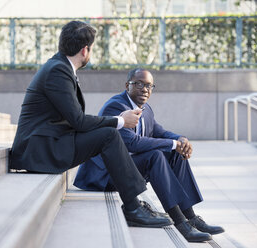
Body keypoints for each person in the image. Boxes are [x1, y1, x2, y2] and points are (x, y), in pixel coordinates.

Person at [9, 21, 172, 228]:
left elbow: (76, 120)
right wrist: (121, 121)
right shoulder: (58, 71)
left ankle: (134, 205)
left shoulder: (59, 67)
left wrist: (115, 122)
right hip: (41, 150)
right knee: (109, 135)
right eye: (92, 48)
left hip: (52, 142)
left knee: (107, 133)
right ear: (85, 50)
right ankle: (133, 208)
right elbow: (78, 120)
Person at [74, 68, 225, 242]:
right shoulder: (115, 106)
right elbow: (133, 142)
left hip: (125, 171)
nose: (145, 89)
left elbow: (159, 132)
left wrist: (181, 140)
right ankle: (180, 222)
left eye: (149, 86)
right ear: (127, 85)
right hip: (105, 175)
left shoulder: (145, 109)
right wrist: (173, 144)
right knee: (156, 156)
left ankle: (190, 217)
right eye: (139, 84)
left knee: (176, 155)